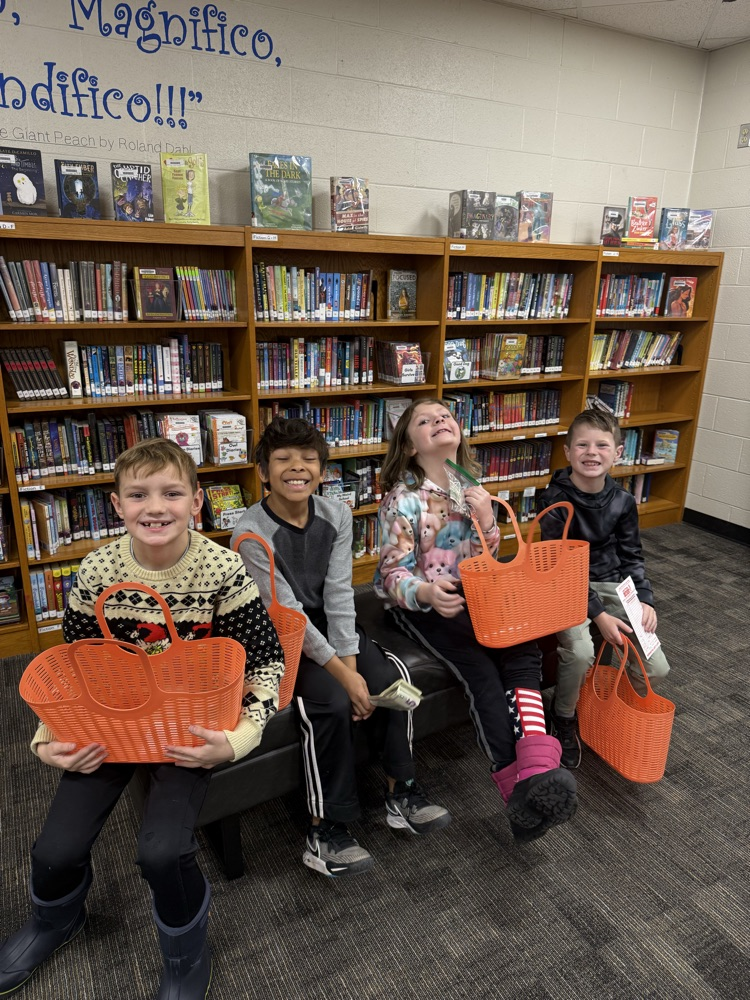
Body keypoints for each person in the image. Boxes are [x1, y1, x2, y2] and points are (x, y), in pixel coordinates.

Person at [0, 438, 284, 998]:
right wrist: (49, 737)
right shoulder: (97, 569)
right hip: (111, 721)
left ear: (196, 501)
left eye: (172, 493)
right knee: (54, 850)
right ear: (117, 504)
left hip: (190, 724)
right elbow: (72, 667)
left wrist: (238, 739)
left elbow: (267, 662)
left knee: (162, 852)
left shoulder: (223, 571)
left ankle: (184, 953)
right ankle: (55, 920)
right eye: (139, 494)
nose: (155, 507)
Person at [232, 417, 451, 878]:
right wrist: (344, 678)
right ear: (263, 472)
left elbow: (338, 594)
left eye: (309, 460)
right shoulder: (250, 532)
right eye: (283, 460)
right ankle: (323, 830)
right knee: (329, 703)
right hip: (284, 639)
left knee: (392, 682)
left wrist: (352, 664)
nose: (297, 468)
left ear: (322, 470)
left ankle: (401, 790)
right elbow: (287, 613)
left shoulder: (336, 514)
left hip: (332, 628)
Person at [373, 399, 577, 843]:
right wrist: (423, 592)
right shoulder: (403, 499)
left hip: (476, 593)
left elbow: (488, 552)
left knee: (523, 649)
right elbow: (392, 573)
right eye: (424, 421)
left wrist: (487, 519)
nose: (439, 422)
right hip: (424, 605)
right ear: (409, 446)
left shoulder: (468, 484)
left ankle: (539, 767)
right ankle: (515, 785)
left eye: (445, 416)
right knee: (482, 673)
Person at [540, 409, 671, 769]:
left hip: (615, 584)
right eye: (582, 444)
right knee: (580, 651)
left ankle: (607, 703)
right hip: (565, 586)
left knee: (657, 666)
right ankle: (563, 716)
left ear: (617, 452)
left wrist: (644, 599)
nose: (591, 452)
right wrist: (598, 615)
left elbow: (632, 556)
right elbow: (562, 567)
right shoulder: (554, 499)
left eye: (602, 444)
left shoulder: (623, 501)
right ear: (567, 452)